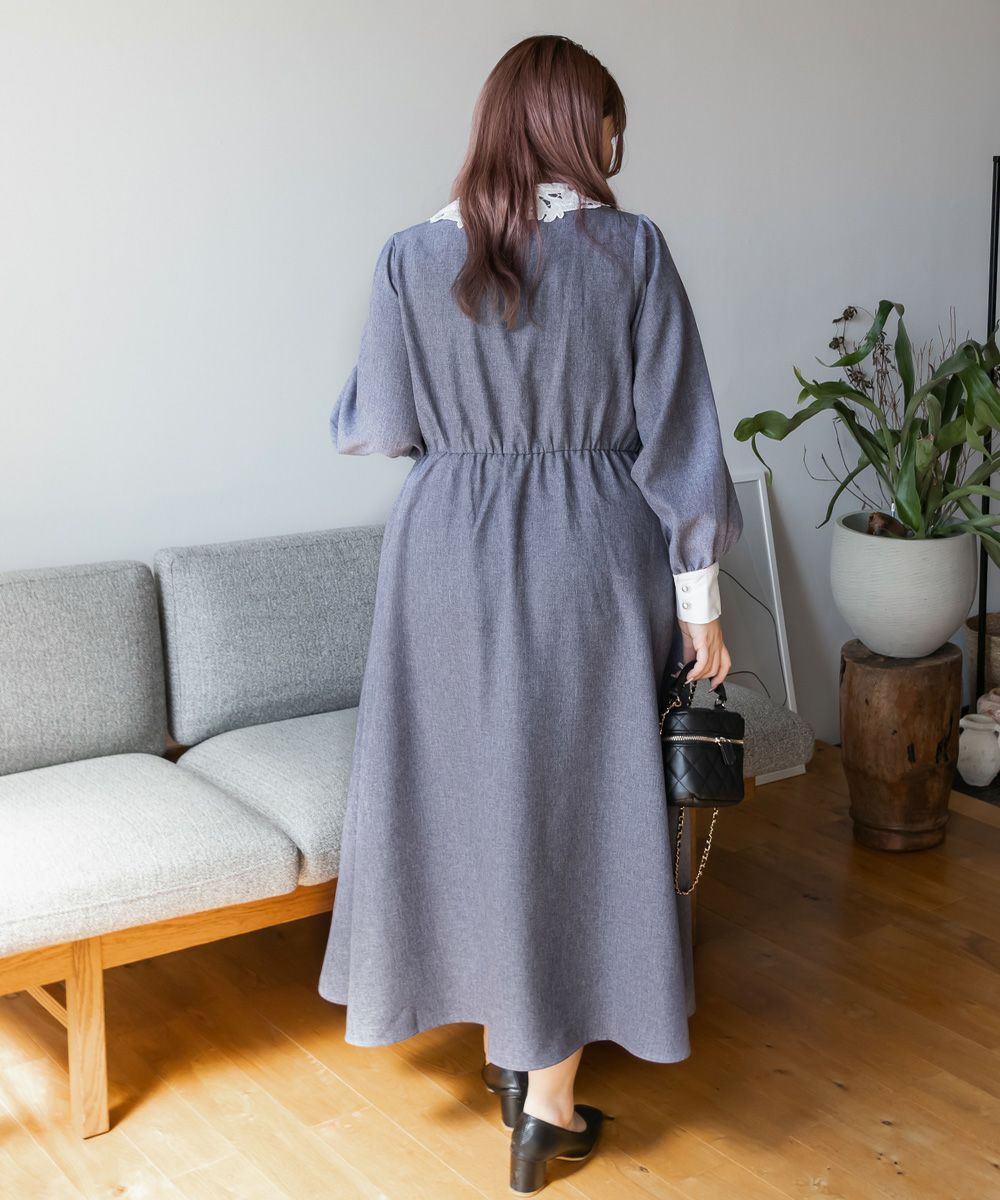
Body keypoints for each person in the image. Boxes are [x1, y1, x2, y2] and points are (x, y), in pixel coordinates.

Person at [318, 33, 743, 1196]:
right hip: (587, 554)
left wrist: (468, 413)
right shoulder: (630, 251)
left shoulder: (412, 256)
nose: (616, 145)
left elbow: (378, 425)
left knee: (466, 802)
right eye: (610, 124)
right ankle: (544, 1107)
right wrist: (700, 601)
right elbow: (680, 438)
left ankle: (512, 1057)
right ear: (573, 124)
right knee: (576, 805)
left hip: (441, 558)